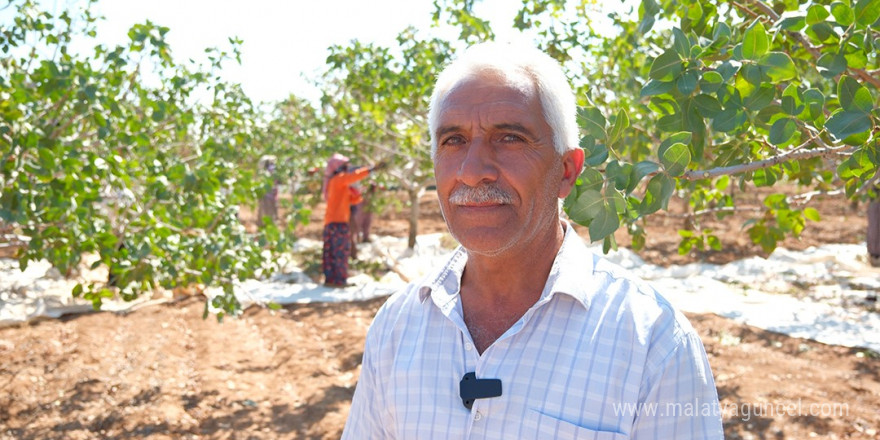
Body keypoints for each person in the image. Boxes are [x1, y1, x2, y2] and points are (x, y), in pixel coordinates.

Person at [342, 42, 723, 438]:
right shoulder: (396, 327)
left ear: (565, 171)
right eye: (453, 140)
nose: (473, 172)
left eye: (509, 138)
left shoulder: (652, 344)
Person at [322, 154, 383, 287]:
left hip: (333, 223)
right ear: (337, 167)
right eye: (344, 165)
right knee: (340, 252)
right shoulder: (338, 180)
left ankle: (332, 280)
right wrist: (370, 170)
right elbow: (353, 176)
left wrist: (363, 192)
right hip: (337, 223)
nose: (347, 168)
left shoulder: (340, 185)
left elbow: (354, 199)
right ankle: (338, 281)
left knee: (333, 252)